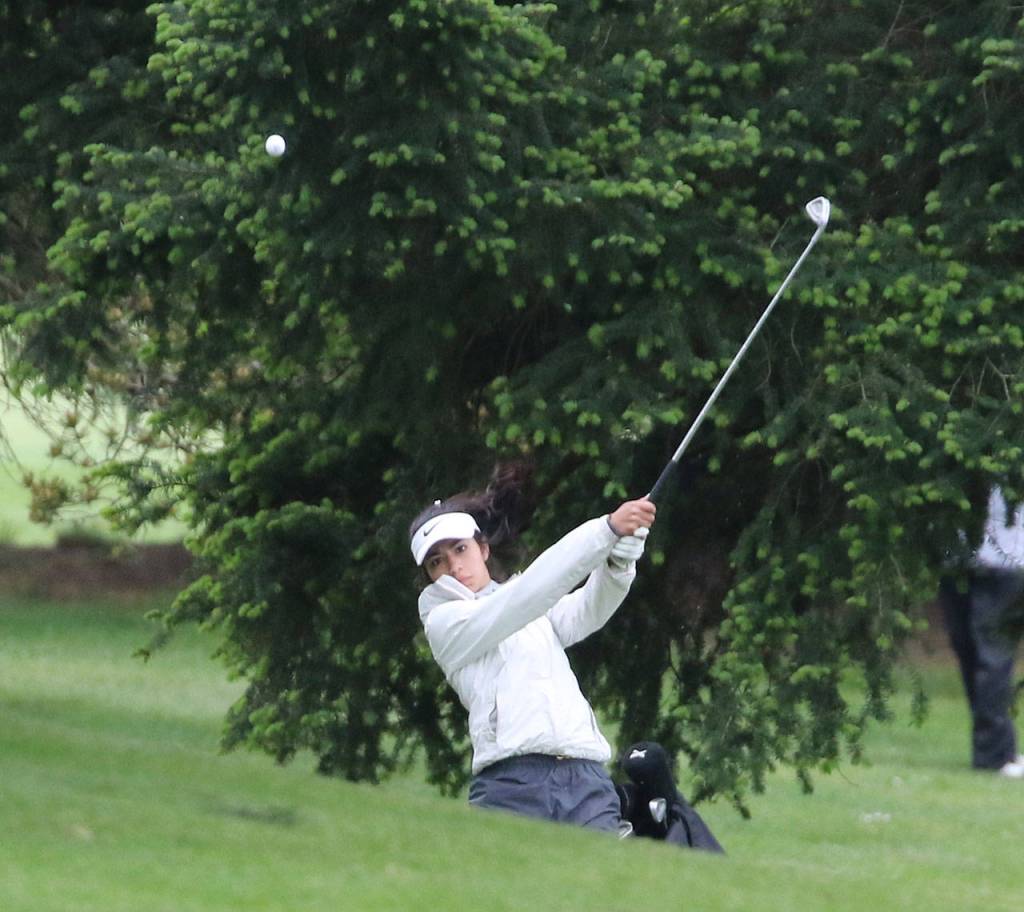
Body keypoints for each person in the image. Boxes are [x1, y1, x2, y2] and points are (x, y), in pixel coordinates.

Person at [409, 464, 655, 834]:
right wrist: (605, 531)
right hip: (511, 783)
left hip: (585, 776)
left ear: (483, 549)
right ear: (428, 575)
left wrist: (620, 560)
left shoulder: (526, 603)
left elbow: (588, 609)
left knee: (603, 888)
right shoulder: (444, 621)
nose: (453, 567)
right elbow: (528, 596)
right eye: (436, 561)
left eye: (460, 549)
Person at [938, 486, 1024, 778]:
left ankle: (994, 757)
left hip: (1007, 562)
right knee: (967, 650)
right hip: (956, 559)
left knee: (993, 656)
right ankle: (999, 747)